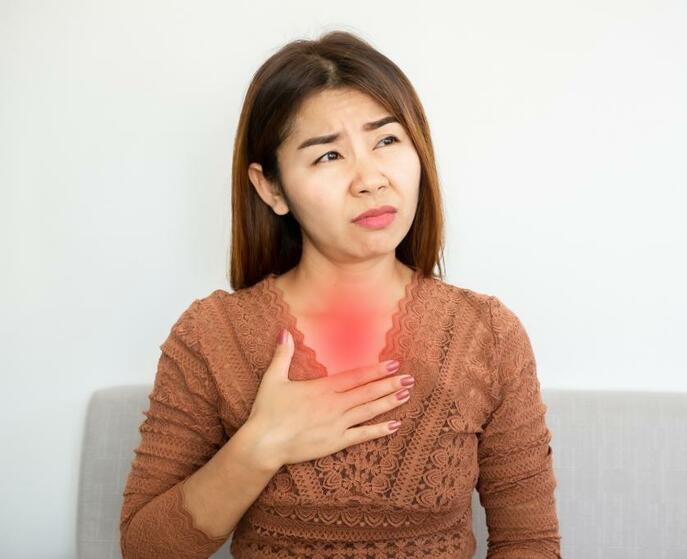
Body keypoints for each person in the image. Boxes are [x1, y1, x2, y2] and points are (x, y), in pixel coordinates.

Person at [120, 30, 561, 559]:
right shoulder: (211, 336)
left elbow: (529, 543)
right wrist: (262, 444)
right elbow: (144, 549)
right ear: (272, 188)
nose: (370, 179)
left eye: (387, 141)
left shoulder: (486, 333)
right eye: (328, 155)